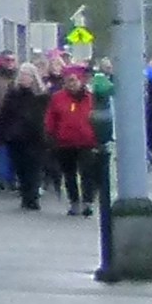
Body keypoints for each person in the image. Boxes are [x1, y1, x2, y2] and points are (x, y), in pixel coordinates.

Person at [0, 56, 52, 211]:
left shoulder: (42, 97)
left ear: (34, 78)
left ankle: (32, 197)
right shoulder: (13, 94)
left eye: (27, 76)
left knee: (34, 168)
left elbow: (48, 117)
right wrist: (1, 135)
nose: (24, 79)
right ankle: (25, 196)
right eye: (22, 75)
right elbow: (4, 115)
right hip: (16, 138)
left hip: (37, 138)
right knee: (21, 168)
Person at [46, 63, 102, 217]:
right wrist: (50, 135)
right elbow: (51, 118)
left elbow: (98, 118)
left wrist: (98, 137)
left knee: (87, 172)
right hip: (64, 142)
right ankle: (74, 202)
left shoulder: (91, 98)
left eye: (75, 80)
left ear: (81, 81)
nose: (72, 84)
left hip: (87, 142)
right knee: (69, 173)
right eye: (69, 81)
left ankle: (88, 201)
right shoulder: (57, 98)